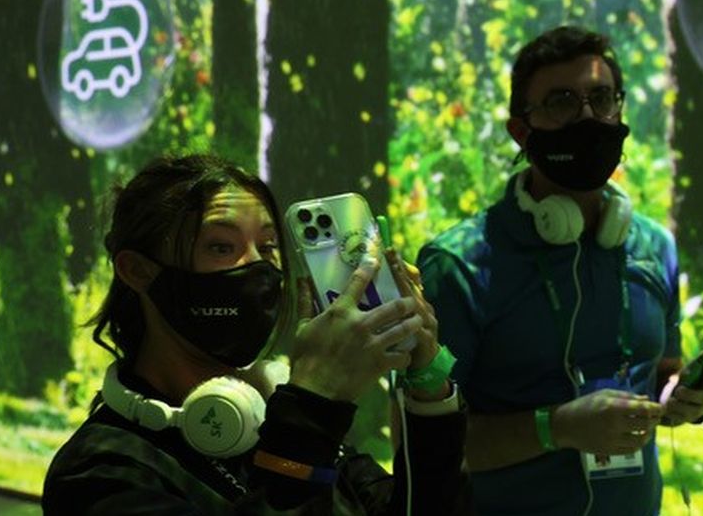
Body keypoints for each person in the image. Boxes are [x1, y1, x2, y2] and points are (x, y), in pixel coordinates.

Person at [42, 154, 470, 515]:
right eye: (221, 247)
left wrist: (429, 385)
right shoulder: (98, 472)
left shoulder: (272, 416)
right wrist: (313, 403)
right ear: (138, 271)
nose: (259, 269)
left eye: (268, 247)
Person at [416, 26, 703, 516]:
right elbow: (425, 445)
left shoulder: (654, 247)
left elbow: (663, 369)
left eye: (601, 99)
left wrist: (683, 396)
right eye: (561, 102)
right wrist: (555, 428)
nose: (587, 117)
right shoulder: (459, 266)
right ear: (521, 131)